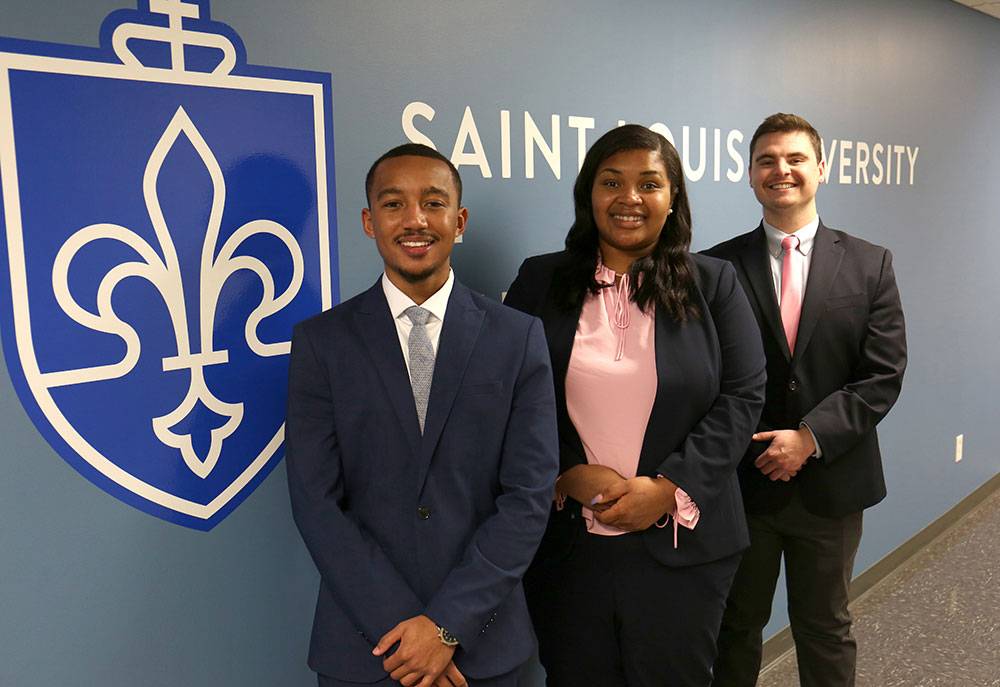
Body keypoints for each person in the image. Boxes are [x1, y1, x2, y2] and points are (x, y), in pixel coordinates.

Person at [285, 143, 559, 687]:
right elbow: (315, 502)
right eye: (393, 205)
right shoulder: (321, 343)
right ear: (369, 221)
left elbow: (528, 496)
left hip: (486, 645)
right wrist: (405, 631)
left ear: (459, 221)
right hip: (367, 649)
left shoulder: (516, 336)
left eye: (433, 203)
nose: (415, 220)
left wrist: (447, 625)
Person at [504, 124, 767, 687]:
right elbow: (514, 395)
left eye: (649, 184)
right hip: (570, 546)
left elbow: (743, 395)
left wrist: (668, 488)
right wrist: (568, 471)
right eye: (611, 182)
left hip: (683, 546)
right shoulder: (539, 279)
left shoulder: (715, 282)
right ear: (589, 194)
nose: (629, 198)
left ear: (672, 200)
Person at [706, 113, 907, 687]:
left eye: (795, 158)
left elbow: (882, 374)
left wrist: (810, 438)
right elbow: (706, 374)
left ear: (821, 168)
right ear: (750, 176)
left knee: (825, 627)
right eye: (767, 160)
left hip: (832, 483)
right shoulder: (716, 266)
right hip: (743, 485)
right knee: (736, 628)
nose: (781, 170)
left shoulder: (871, 264)